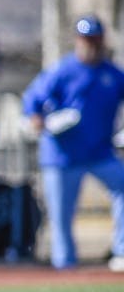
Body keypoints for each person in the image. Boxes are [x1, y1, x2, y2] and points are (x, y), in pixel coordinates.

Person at [22, 15, 124, 272]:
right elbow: (32, 99)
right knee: (61, 216)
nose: (90, 45)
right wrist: (38, 119)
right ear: (78, 41)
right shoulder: (63, 71)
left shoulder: (112, 74)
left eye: (95, 40)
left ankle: (121, 251)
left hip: (100, 151)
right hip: (62, 155)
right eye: (86, 40)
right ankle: (65, 268)